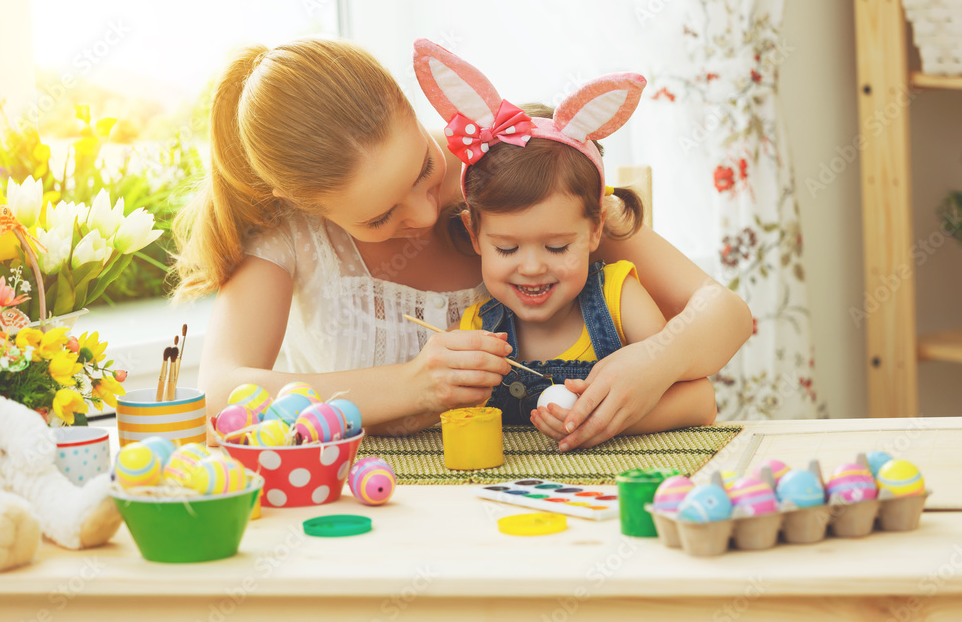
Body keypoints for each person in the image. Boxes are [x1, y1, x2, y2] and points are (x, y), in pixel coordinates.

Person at [172, 36, 752, 452]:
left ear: (409, 103)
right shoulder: (288, 234)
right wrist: (407, 385)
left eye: (424, 166)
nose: (427, 212)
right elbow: (221, 393)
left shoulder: (513, 170)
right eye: (378, 217)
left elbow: (724, 313)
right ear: (306, 208)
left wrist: (652, 362)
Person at [414, 39, 717, 440]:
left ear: (595, 231)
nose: (533, 266)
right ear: (474, 235)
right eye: (507, 248)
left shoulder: (618, 299)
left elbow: (701, 401)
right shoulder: (475, 331)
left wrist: (607, 421)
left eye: (557, 247)